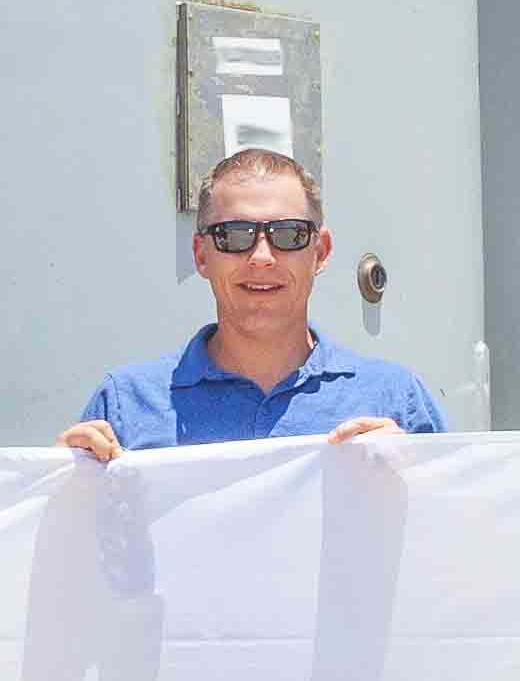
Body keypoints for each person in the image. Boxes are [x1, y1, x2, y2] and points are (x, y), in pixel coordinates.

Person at [61, 149, 446, 456]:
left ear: (321, 251)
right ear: (200, 254)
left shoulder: (395, 402)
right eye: (234, 235)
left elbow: (458, 538)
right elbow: (69, 545)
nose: (261, 256)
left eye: (289, 234)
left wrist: (418, 473)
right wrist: (52, 485)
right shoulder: (125, 407)